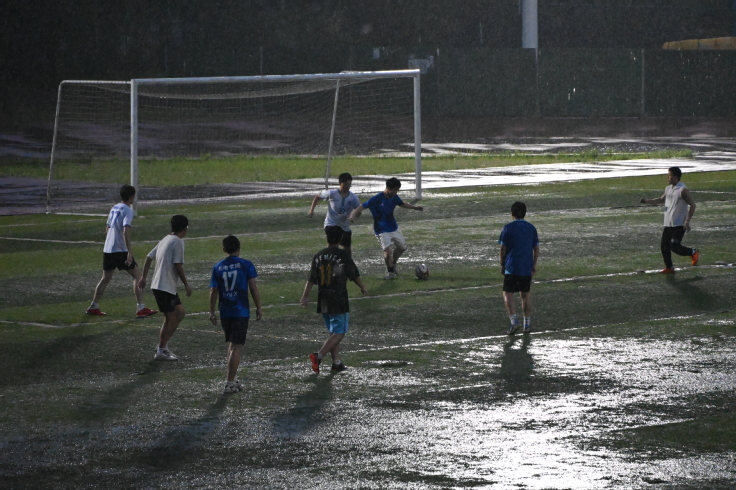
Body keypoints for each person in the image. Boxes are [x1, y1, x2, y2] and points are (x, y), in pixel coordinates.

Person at [300, 226, 367, 373]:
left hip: (323, 298)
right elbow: (353, 274)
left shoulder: (318, 255)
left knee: (333, 331)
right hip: (338, 298)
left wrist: (305, 295)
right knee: (339, 333)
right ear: (341, 239)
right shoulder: (343, 255)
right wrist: (362, 287)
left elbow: (311, 279)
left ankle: (336, 362)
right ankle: (318, 356)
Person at [86, 184, 157, 318]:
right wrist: (129, 252)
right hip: (120, 249)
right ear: (132, 197)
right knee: (138, 276)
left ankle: (94, 306)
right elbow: (126, 230)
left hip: (108, 248)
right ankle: (141, 308)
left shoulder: (114, 207)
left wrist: (111, 240)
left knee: (105, 278)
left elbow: (107, 228)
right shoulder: (128, 210)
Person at [208, 235, 263, 394]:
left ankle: (232, 377)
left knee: (232, 346)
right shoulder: (245, 264)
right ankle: (229, 383)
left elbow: (213, 291)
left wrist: (211, 311)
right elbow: (253, 287)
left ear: (224, 249)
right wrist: (258, 307)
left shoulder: (218, 267)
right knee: (236, 347)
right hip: (240, 310)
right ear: (239, 248)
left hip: (225, 310)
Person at [138, 215, 192, 361]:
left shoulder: (165, 239)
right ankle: (161, 349)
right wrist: (186, 284)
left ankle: (162, 346)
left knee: (180, 312)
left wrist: (144, 277)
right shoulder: (178, 242)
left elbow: (149, 257)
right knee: (170, 318)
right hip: (164, 286)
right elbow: (178, 266)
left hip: (164, 286)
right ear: (185, 228)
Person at [348, 177, 423, 279]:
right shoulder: (377, 198)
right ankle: (390, 272)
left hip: (393, 228)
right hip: (381, 230)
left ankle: (393, 263)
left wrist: (415, 208)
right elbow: (361, 207)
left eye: (397, 190)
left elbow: (402, 204)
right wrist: (352, 216)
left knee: (402, 248)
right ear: (388, 188)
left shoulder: (394, 197)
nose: (396, 192)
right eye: (394, 190)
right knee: (388, 253)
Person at [640, 166, 699, 274]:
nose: (667, 177)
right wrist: (646, 201)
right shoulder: (668, 189)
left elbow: (693, 205)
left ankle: (693, 252)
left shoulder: (682, 190)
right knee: (664, 246)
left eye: (669, 175)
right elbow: (660, 200)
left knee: (674, 246)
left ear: (675, 176)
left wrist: (687, 222)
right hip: (668, 223)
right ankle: (669, 267)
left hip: (679, 224)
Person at [499, 201, 539, 335]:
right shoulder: (531, 228)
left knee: (508, 293)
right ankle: (527, 324)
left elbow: (502, 248)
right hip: (526, 265)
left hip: (512, 265)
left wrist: (502, 264)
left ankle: (514, 321)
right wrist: (533, 264)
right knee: (525, 293)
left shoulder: (507, 228)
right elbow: (536, 248)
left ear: (512, 214)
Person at [307, 172, 361, 256]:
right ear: (340, 183)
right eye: (346, 184)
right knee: (332, 245)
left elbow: (359, 211)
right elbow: (317, 197)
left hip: (344, 226)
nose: (348, 186)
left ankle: (347, 262)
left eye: (349, 184)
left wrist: (353, 216)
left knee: (347, 248)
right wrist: (311, 211)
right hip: (331, 224)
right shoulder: (332, 193)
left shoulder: (353, 197)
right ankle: (329, 260)